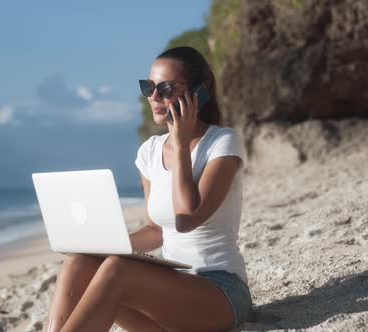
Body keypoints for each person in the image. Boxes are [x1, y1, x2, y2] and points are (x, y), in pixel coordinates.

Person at [45, 46, 252, 332]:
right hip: (169, 291)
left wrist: (180, 145)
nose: (153, 97)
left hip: (219, 291)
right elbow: (157, 230)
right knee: (81, 260)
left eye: (166, 88)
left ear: (198, 93)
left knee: (118, 269)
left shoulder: (222, 143)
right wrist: (99, 246)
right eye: (149, 87)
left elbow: (186, 218)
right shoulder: (150, 151)